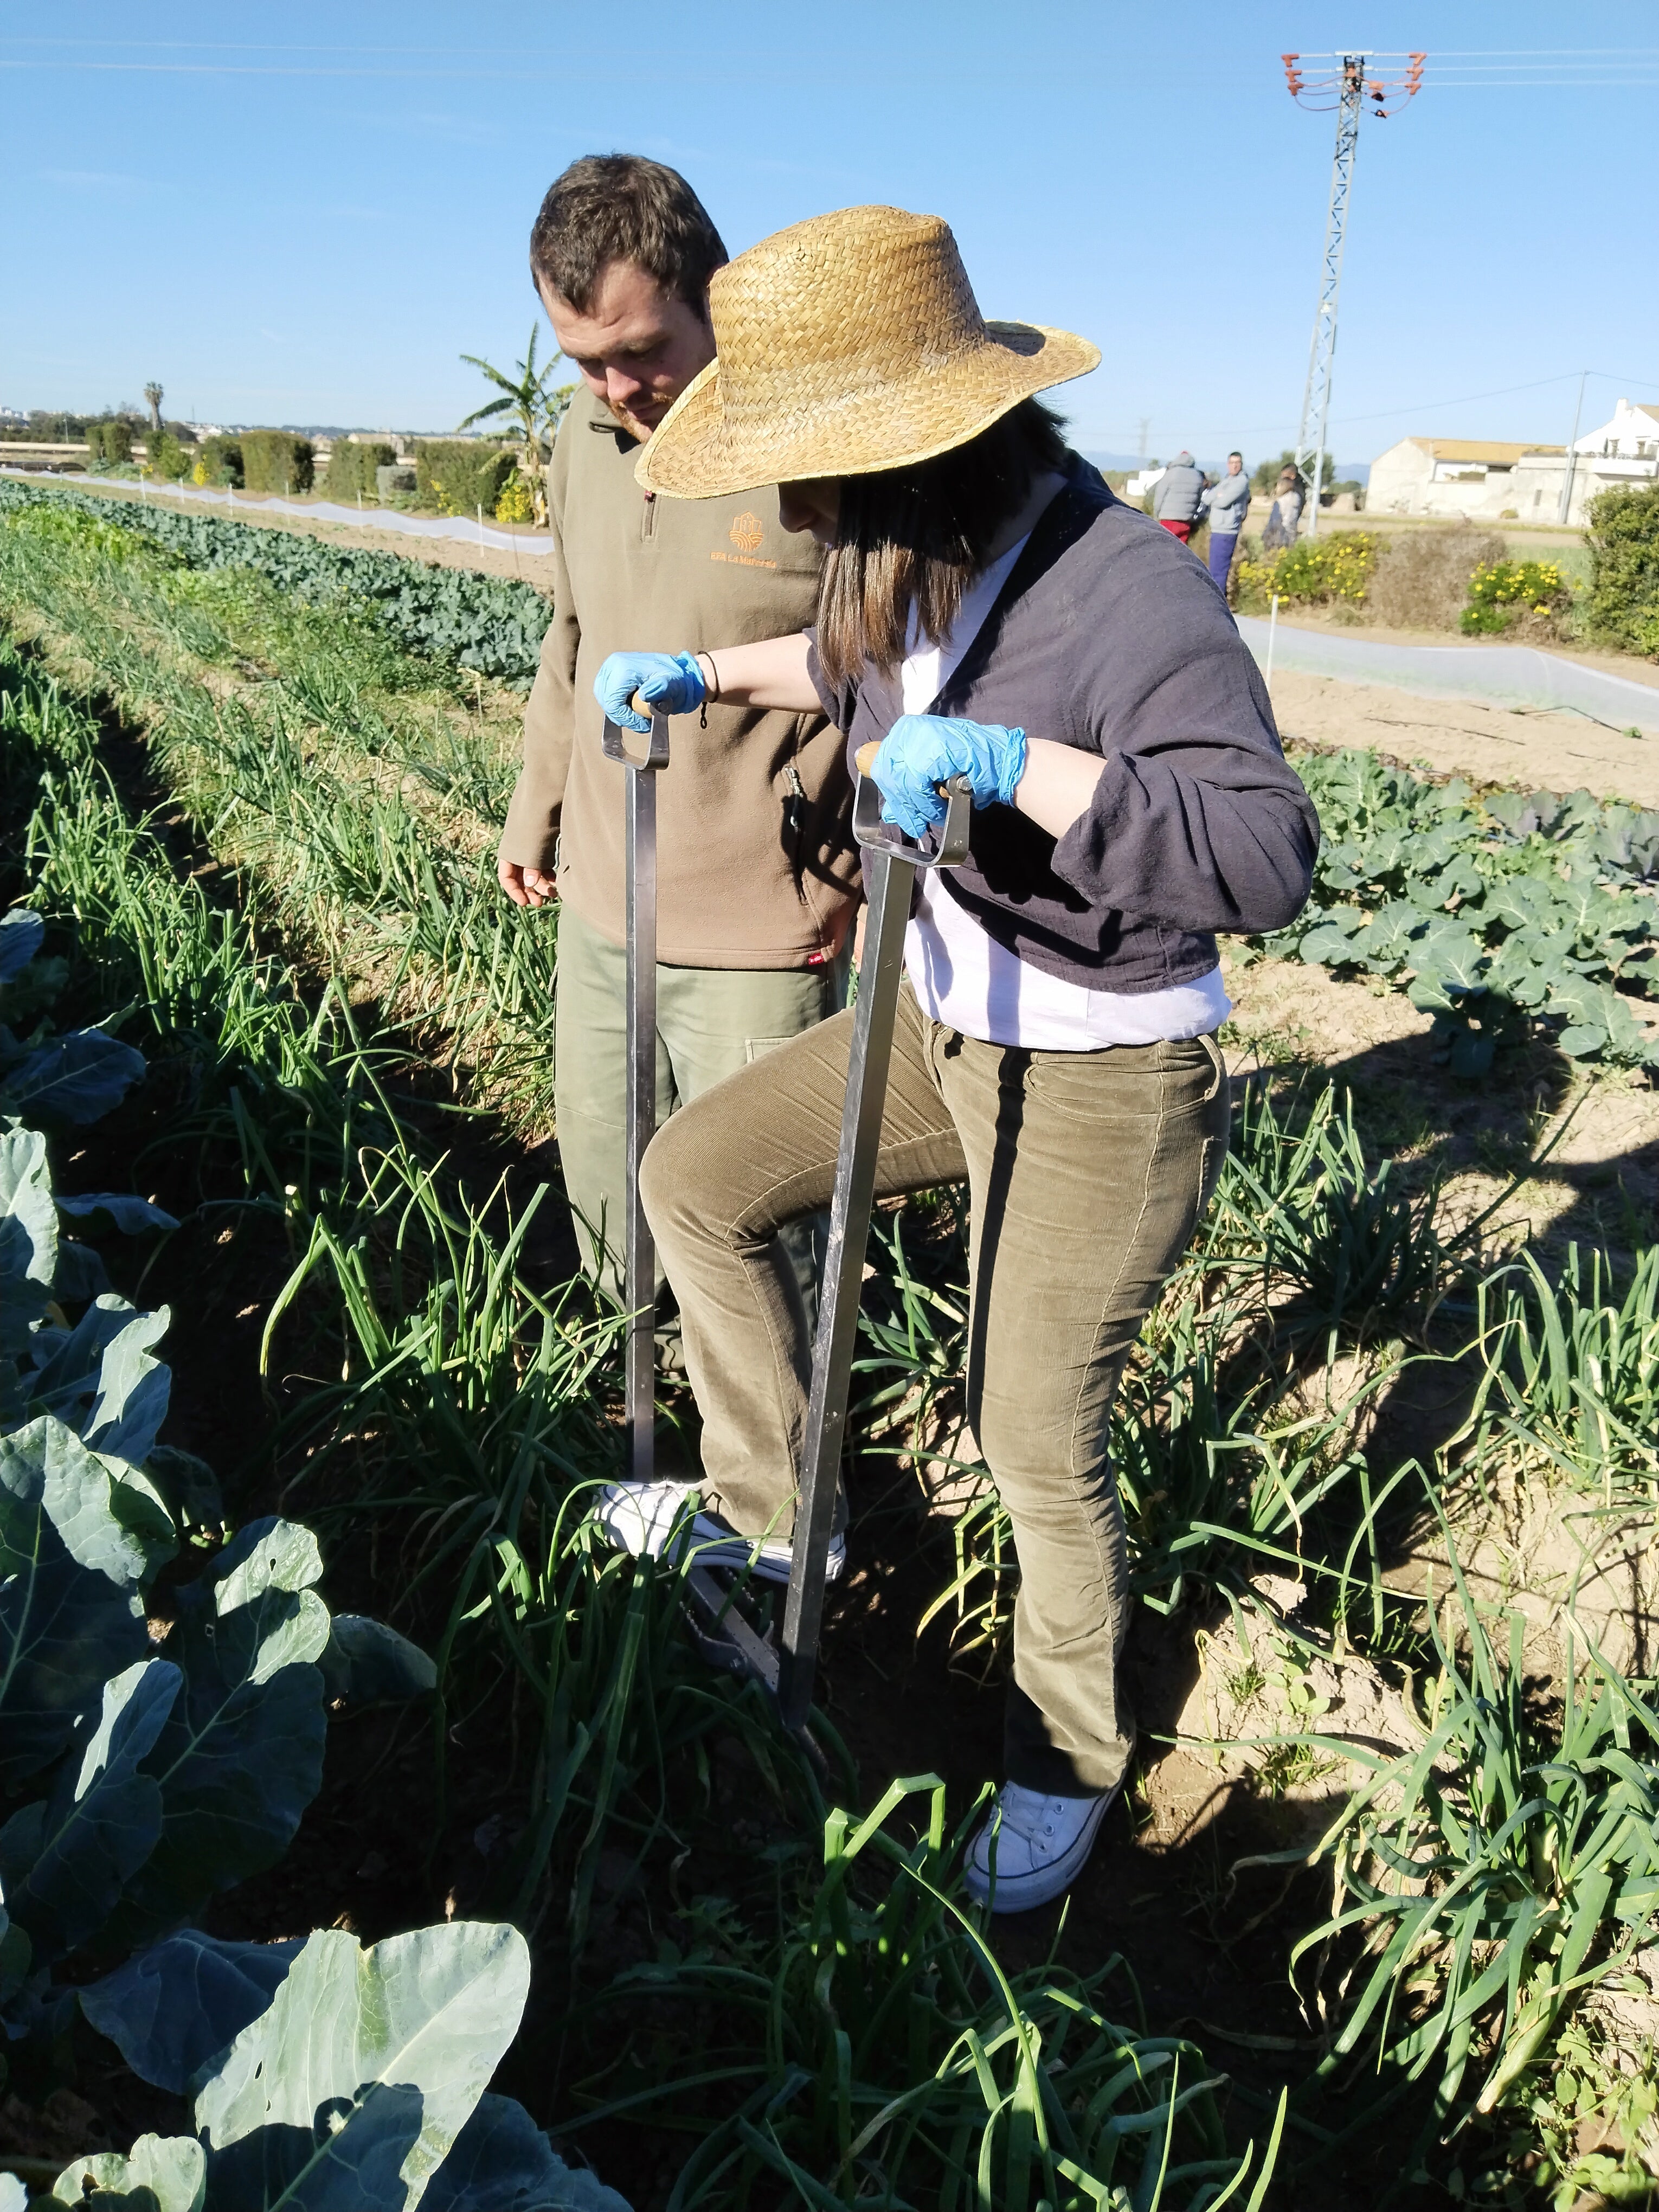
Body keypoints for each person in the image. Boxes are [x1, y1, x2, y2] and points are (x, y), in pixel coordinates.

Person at [588, 205, 1317, 1913]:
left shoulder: (1121, 589)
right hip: (944, 1023)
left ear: (919, 452)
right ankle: (777, 1512)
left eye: (810, 475)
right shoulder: (896, 559)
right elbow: (856, 670)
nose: (787, 513)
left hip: (1099, 1074)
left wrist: (1022, 767)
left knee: (1029, 1427)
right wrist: (704, 669)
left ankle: (1067, 1758)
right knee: (693, 1178)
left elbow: (1266, 850)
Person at [496, 155, 859, 1309]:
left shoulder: (814, 447)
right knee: (608, 1186)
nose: (616, 388)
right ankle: (635, 1409)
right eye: (585, 362)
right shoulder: (580, 438)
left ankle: (784, 1475)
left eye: (642, 351)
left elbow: (899, 668)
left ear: (716, 297)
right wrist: (537, 807)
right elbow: (574, 634)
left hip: (764, 920)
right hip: (607, 900)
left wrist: (868, 868)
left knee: (759, 1236)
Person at [1200, 449, 1250, 592]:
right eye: (1232, 463)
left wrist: (1218, 496)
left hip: (1227, 530)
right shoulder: (1227, 480)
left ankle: (1219, 601)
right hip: (1217, 529)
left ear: (1242, 464)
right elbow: (1207, 498)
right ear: (1228, 464)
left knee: (1220, 572)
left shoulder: (1242, 481)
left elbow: (1224, 502)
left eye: (1238, 463)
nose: (1235, 466)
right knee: (1214, 569)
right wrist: (1218, 495)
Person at [1150, 448, 1205, 541]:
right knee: (1181, 549)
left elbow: (1160, 495)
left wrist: (1156, 514)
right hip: (1186, 520)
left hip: (1168, 519)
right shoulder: (1198, 476)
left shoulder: (1171, 473)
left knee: (1165, 546)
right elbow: (1199, 499)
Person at [1262, 465, 1304, 552]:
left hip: (1280, 537)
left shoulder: (1285, 500)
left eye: (1284, 477)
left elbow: (1277, 521)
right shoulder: (1296, 496)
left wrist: (1267, 535)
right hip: (1288, 534)